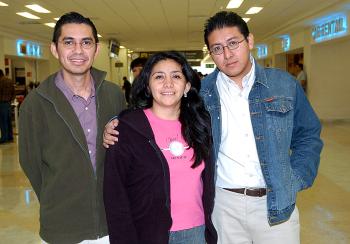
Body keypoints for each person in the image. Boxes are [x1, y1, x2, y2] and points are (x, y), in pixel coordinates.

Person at [103, 11, 323, 244]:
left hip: (276, 204)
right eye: (217, 48)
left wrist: (296, 178)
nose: (227, 54)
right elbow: (160, 107)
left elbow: (308, 134)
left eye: (233, 43)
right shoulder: (203, 93)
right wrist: (115, 122)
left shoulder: (283, 84)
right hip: (222, 207)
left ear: (249, 41)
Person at [18, 12, 126, 244]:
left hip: (112, 224)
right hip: (62, 230)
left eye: (86, 42)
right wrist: (59, 197)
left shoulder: (113, 95)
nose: (78, 51)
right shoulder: (36, 104)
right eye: (69, 42)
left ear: (96, 49)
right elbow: (31, 165)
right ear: (55, 49)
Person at [103, 51, 217, 244]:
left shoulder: (200, 125)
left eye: (176, 76)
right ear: (148, 85)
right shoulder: (127, 129)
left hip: (196, 232)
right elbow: (115, 195)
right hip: (148, 233)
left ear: (187, 86)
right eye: (159, 76)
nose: (168, 83)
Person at [0, 69, 15, 143]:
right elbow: (13, 92)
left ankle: (4, 138)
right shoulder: (9, 81)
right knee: (9, 121)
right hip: (8, 103)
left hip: (2, 103)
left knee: (3, 121)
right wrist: (11, 99)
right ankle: (10, 137)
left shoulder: (0, 81)